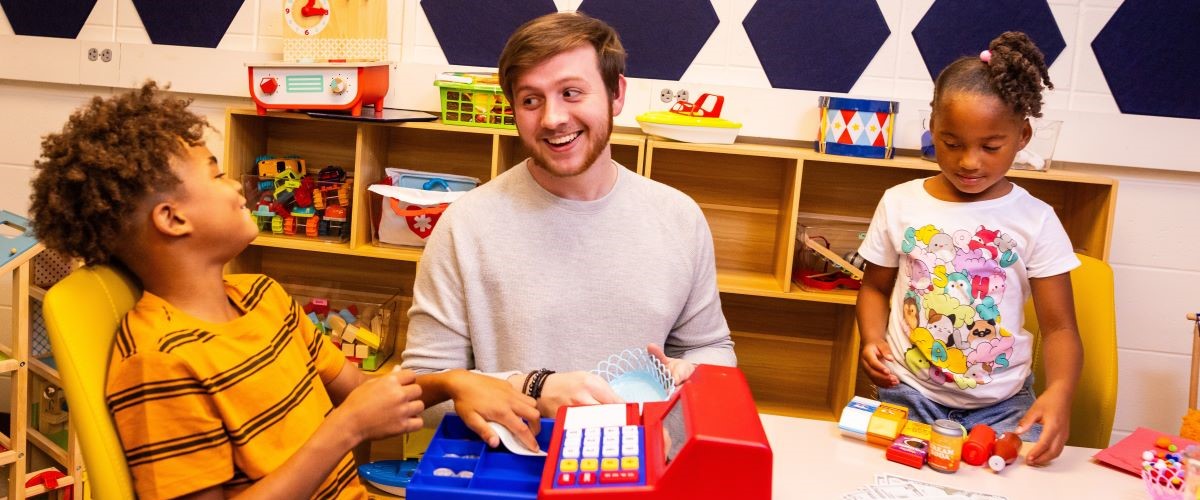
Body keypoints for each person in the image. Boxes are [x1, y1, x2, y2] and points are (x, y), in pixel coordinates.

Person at [28, 82, 425, 499]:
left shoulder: (262, 296)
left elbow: (364, 392)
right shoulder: (161, 361)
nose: (237, 185)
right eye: (216, 175)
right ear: (173, 218)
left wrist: (457, 385)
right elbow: (356, 415)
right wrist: (347, 429)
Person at [402, 12, 735, 452]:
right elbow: (422, 393)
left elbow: (711, 347)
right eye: (531, 100)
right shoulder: (466, 225)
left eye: (571, 93)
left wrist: (693, 375)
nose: (553, 118)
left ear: (616, 95)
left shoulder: (679, 217)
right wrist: (533, 390)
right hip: (515, 473)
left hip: (643, 469)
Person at [855, 32, 1082, 466]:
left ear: (1023, 135)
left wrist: (1061, 393)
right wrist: (870, 339)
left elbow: (1061, 329)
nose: (969, 162)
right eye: (951, 142)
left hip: (1004, 408)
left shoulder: (1035, 219)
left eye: (990, 146)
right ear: (932, 129)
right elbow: (874, 289)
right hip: (909, 395)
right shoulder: (900, 202)